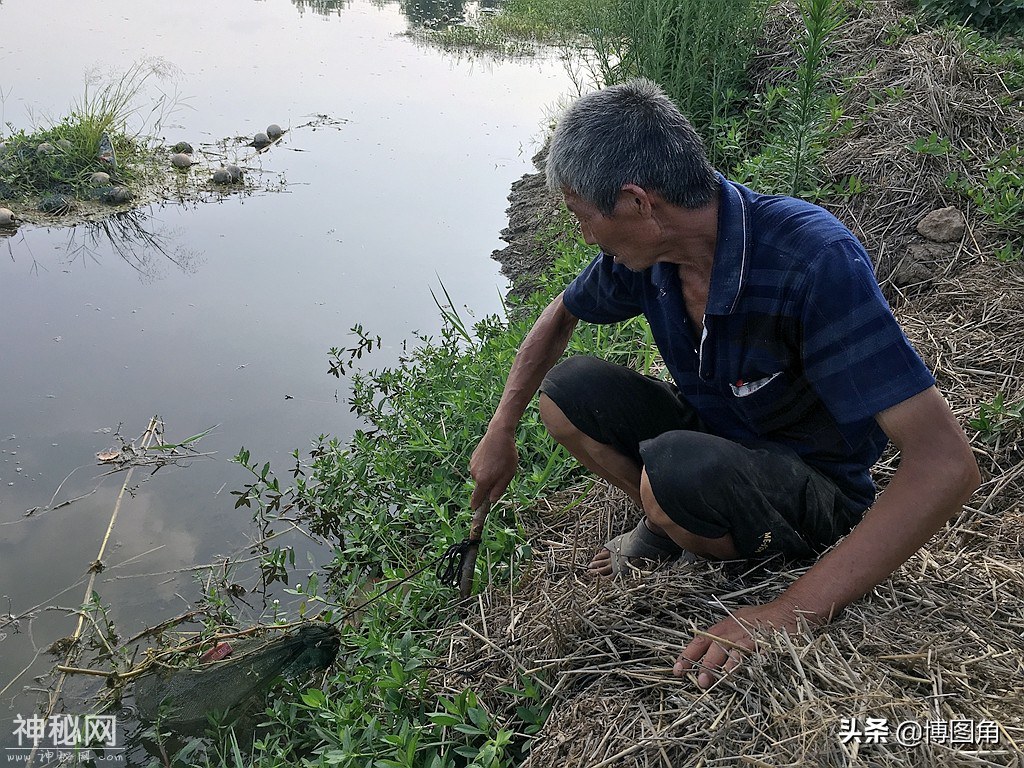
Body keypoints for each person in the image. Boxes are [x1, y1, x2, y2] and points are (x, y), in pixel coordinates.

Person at [469, 79, 979, 688]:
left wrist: (789, 611)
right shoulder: (651, 256)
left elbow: (947, 465)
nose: (585, 238)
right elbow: (560, 317)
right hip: (718, 441)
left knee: (674, 470)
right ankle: (671, 526)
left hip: (816, 487)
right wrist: (501, 431)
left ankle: (687, 519)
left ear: (639, 204)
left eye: (585, 218)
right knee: (567, 394)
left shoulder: (811, 260)